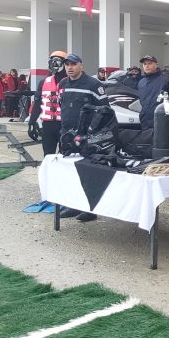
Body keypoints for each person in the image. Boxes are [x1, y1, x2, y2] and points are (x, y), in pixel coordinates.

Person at [57, 54, 111, 222]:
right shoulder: (63, 84)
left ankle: (89, 209)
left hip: (87, 137)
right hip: (67, 136)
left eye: (73, 64)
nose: (70, 67)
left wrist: (95, 134)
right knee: (69, 172)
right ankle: (73, 206)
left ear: (81, 65)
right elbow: (61, 105)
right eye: (67, 64)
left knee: (87, 174)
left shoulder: (94, 85)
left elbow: (105, 111)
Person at [28, 51, 69, 153]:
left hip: (66, 125)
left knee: (66, 156)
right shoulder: (44, 82)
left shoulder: (71, 82)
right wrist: (32, 122)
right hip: (48, 125)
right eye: (52, 61)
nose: (54, 64)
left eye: (58, 61)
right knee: (48, 156)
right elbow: (37, 103)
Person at [137, 56, 169, 130]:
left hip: (161, 120)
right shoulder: (141, 83)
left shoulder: (166, 80)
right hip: (145, 122)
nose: (147, 66)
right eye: (144, 64)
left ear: (156, 65)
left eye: (149, 63)